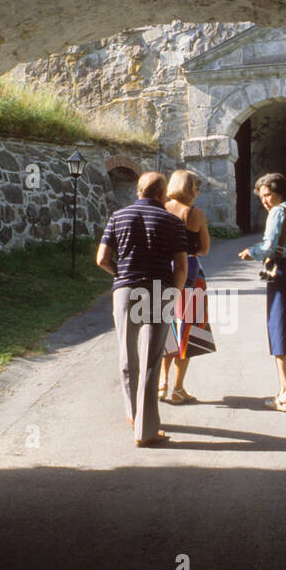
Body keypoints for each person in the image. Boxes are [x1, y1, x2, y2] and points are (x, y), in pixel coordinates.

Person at [96, 171, 188, 446]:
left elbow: (101, 258)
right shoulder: (172, 222)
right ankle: (146, 431)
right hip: (159, 289)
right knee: (152, 360)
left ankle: (133, 415)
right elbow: (182, 266)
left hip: (126, 290)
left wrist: (119, 275)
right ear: (162, 195)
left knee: (128, 355)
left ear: (139, 191)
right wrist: (175, 293)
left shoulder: (118, 216)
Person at [238, 172, 286, 411]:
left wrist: (252, 251)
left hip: (283, 273)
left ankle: (283, 393)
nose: (265, 201)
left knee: (279, 328)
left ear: (280, 193)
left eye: (267, 195)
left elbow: (269, 246)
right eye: (262, 197)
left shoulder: (278, 212)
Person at [158, 169, 214, 404]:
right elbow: (204, 249)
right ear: (189, 188)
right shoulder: (195, 213)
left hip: (162, 270)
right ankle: (178, 389)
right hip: (190, 270)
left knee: (166, 326)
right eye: (196, 187)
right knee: (187, 330)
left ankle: (162, 383)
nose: (198, 192)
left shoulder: (161, 208)